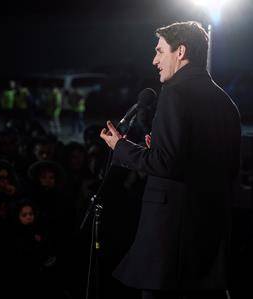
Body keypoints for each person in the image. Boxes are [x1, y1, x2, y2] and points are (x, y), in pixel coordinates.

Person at [100, 21, 241, 299]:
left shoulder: (175, 93)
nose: (154, 60)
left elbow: (166, 164)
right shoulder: (226, 102)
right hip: (210, 239)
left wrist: (121, 146)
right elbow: (226, 167)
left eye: (159, 51)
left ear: (181, 51)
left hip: (170, 244)